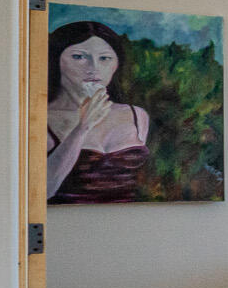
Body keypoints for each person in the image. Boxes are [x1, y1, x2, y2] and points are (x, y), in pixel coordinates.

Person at [47, 20, 151, 203]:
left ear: (116, 64)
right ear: (56, 60)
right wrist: (82, 127)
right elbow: (43, 190)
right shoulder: (40, 119)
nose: (93, 68)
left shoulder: (136, 115)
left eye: (104, 58)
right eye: (79, 57)